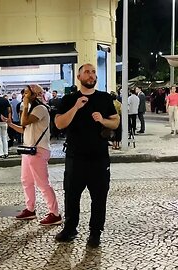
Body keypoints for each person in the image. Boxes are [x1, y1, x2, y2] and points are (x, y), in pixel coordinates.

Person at [54, 63, 119, 248]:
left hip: (99, 157)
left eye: (93, 72)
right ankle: (70, 229)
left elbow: (115, 122)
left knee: (99, 197)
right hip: (76, 157)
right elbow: (59, 124)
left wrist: (103, 120)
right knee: (71, 196)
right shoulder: (68, 99)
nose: (91, 75)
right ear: (79, 77)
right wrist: (76, 107)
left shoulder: (105, 98)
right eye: (87, 72)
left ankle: (95, 233)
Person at [3, 84, 62, 226]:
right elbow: (25, 129)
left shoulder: (40, 109)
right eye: (23, 94)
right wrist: (10, 124)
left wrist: (24, 105)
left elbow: (24, 121)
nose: (24, 96)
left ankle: (55, 213)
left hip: (39, 150)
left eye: (27, 94)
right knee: (26, 181)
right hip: (29, 150)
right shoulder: (32, 109)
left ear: (35, 95)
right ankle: (30, 209)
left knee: (42, 183)